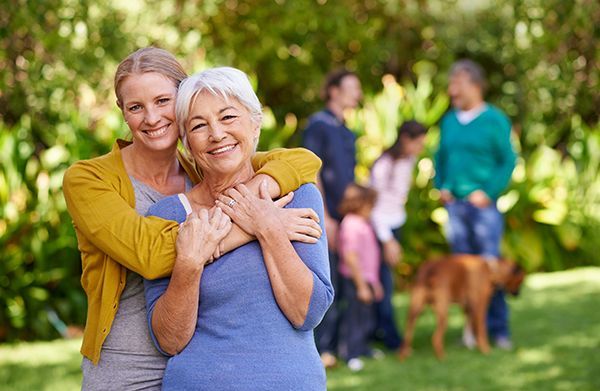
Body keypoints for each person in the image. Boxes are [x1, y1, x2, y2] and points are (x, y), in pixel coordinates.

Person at [63, 47, 323, 390]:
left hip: (194, 359)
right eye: (136, 107)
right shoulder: (88, 179)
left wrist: (258, 199)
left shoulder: (204, 169)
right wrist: (259, 223)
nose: (152, 117)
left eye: (162, 101)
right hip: (128, 364)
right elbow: (153, 256)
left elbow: (303, 161)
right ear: (123, 113)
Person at [143, 67, 333, 389]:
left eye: (228, 117)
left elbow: (307, 313)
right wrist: (189, 263)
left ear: (255, 124)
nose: (217, 134)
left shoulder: (298, 195)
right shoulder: (168, 214)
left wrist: (267, 225)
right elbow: (169, 340)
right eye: (199, 126)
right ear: (187, 144)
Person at [434, 59, 516, 349]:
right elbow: (440, 157)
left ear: (475, 86)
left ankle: (499, 330)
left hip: (483, 210)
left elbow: (508, 160)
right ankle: (471, 331)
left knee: (490, 271)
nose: (452, 90)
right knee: (465, 274)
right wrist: (441, 185)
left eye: (457, 84)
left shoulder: (494, 119)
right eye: (451, 83)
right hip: (455, 209)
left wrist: (489, 192)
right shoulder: (450, 120)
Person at [302, 68, 363, 367]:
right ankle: (321, 348)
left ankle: (344, 345)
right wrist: (325, 215)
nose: (358, 94)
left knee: (346, 282)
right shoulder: (318, 125)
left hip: (347, 219)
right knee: (328, 280)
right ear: (334, 91)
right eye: (353, 87)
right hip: (325, 217)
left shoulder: (346, 130)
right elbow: (311, 170)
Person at [370, 120, 427, 351]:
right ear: (405, 139)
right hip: (380, 228)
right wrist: (387, 239)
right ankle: (391, 338)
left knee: (388, 280)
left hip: (396, 224)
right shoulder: (383, 165)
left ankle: (380, 331)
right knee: (383, 282)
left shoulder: (409, 161)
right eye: (418, 143)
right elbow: (373, 205)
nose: (421, 148)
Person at [336, 184, 381, 372]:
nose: (372, 210)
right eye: (370, 206)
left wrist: (375, 283)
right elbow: (351, 257)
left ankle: (363, 347)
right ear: (359, 204)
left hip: (367, 279)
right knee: (354, 318)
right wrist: (361, 286)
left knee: (366, 317)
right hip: (355, 280)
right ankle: (350, 353)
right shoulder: (351, 224)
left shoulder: (363, 223)